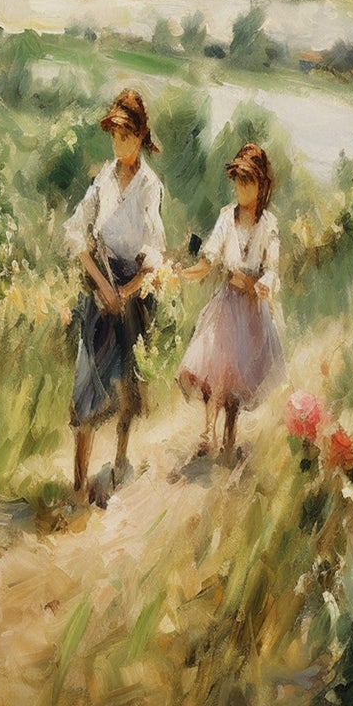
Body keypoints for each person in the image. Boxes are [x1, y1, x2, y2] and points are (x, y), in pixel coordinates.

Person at [65, 87, 168, 498]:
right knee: (87, 379)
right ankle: (78, 483)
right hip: (100, 282)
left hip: (134, 290)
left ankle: (121, 458)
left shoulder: (148, 186)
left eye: (126, 134)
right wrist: (102, 284)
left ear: (141, 136)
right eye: (114, 134)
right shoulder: (103, 179)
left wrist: (125, 292)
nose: (119, 141)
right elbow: (76, 232)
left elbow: (155, 253)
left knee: (127, 381)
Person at [178, 142, 283, 460]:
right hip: (227, 306)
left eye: (247, 181)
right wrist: (186, 273)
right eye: (237, 181)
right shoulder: (226, 218)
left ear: (260, 185)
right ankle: (207, 431)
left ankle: (228, 438)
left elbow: (273, 268)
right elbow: (209, 256)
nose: (240, 188)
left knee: (237, 382)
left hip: (251, 311)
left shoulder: (269, 225)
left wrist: (263, 285)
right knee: (218, 370)